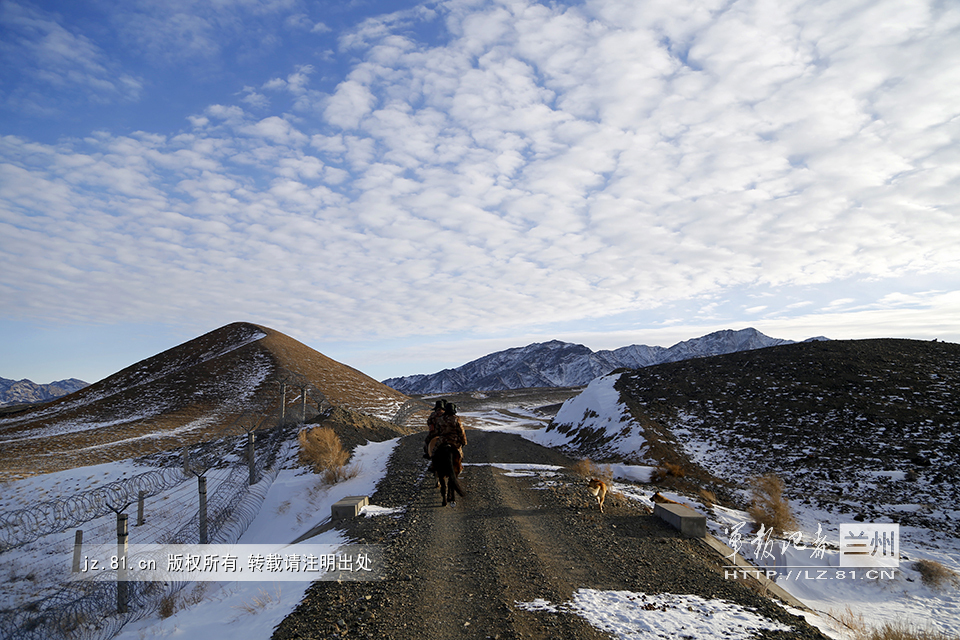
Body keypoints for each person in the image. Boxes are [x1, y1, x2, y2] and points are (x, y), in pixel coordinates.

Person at [436, 401, 467, 475]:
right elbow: (461, 432)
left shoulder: (440, 419)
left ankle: (434, 466)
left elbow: (437, 431)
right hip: (454, 442)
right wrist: (464, 442)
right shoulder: (456, 419)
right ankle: (459, 467)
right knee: (460, 455)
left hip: (442, 441)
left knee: (435, 453)